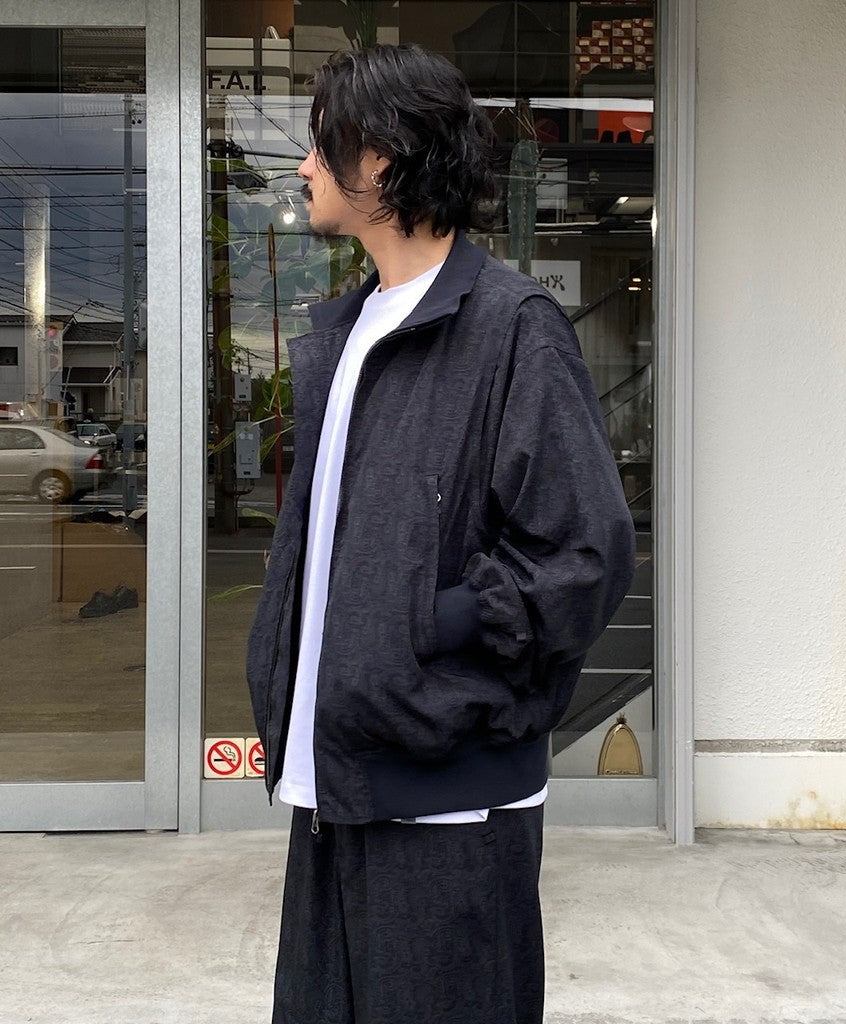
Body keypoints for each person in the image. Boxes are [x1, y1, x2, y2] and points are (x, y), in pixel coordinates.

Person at [246, 43, 635, 1024]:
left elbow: (583, 556)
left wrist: (429, 625)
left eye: (320, 143)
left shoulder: (512, 328)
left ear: (379, 159)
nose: (304, 165)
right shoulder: (349, 331)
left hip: (448, 801)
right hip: (337, 783)